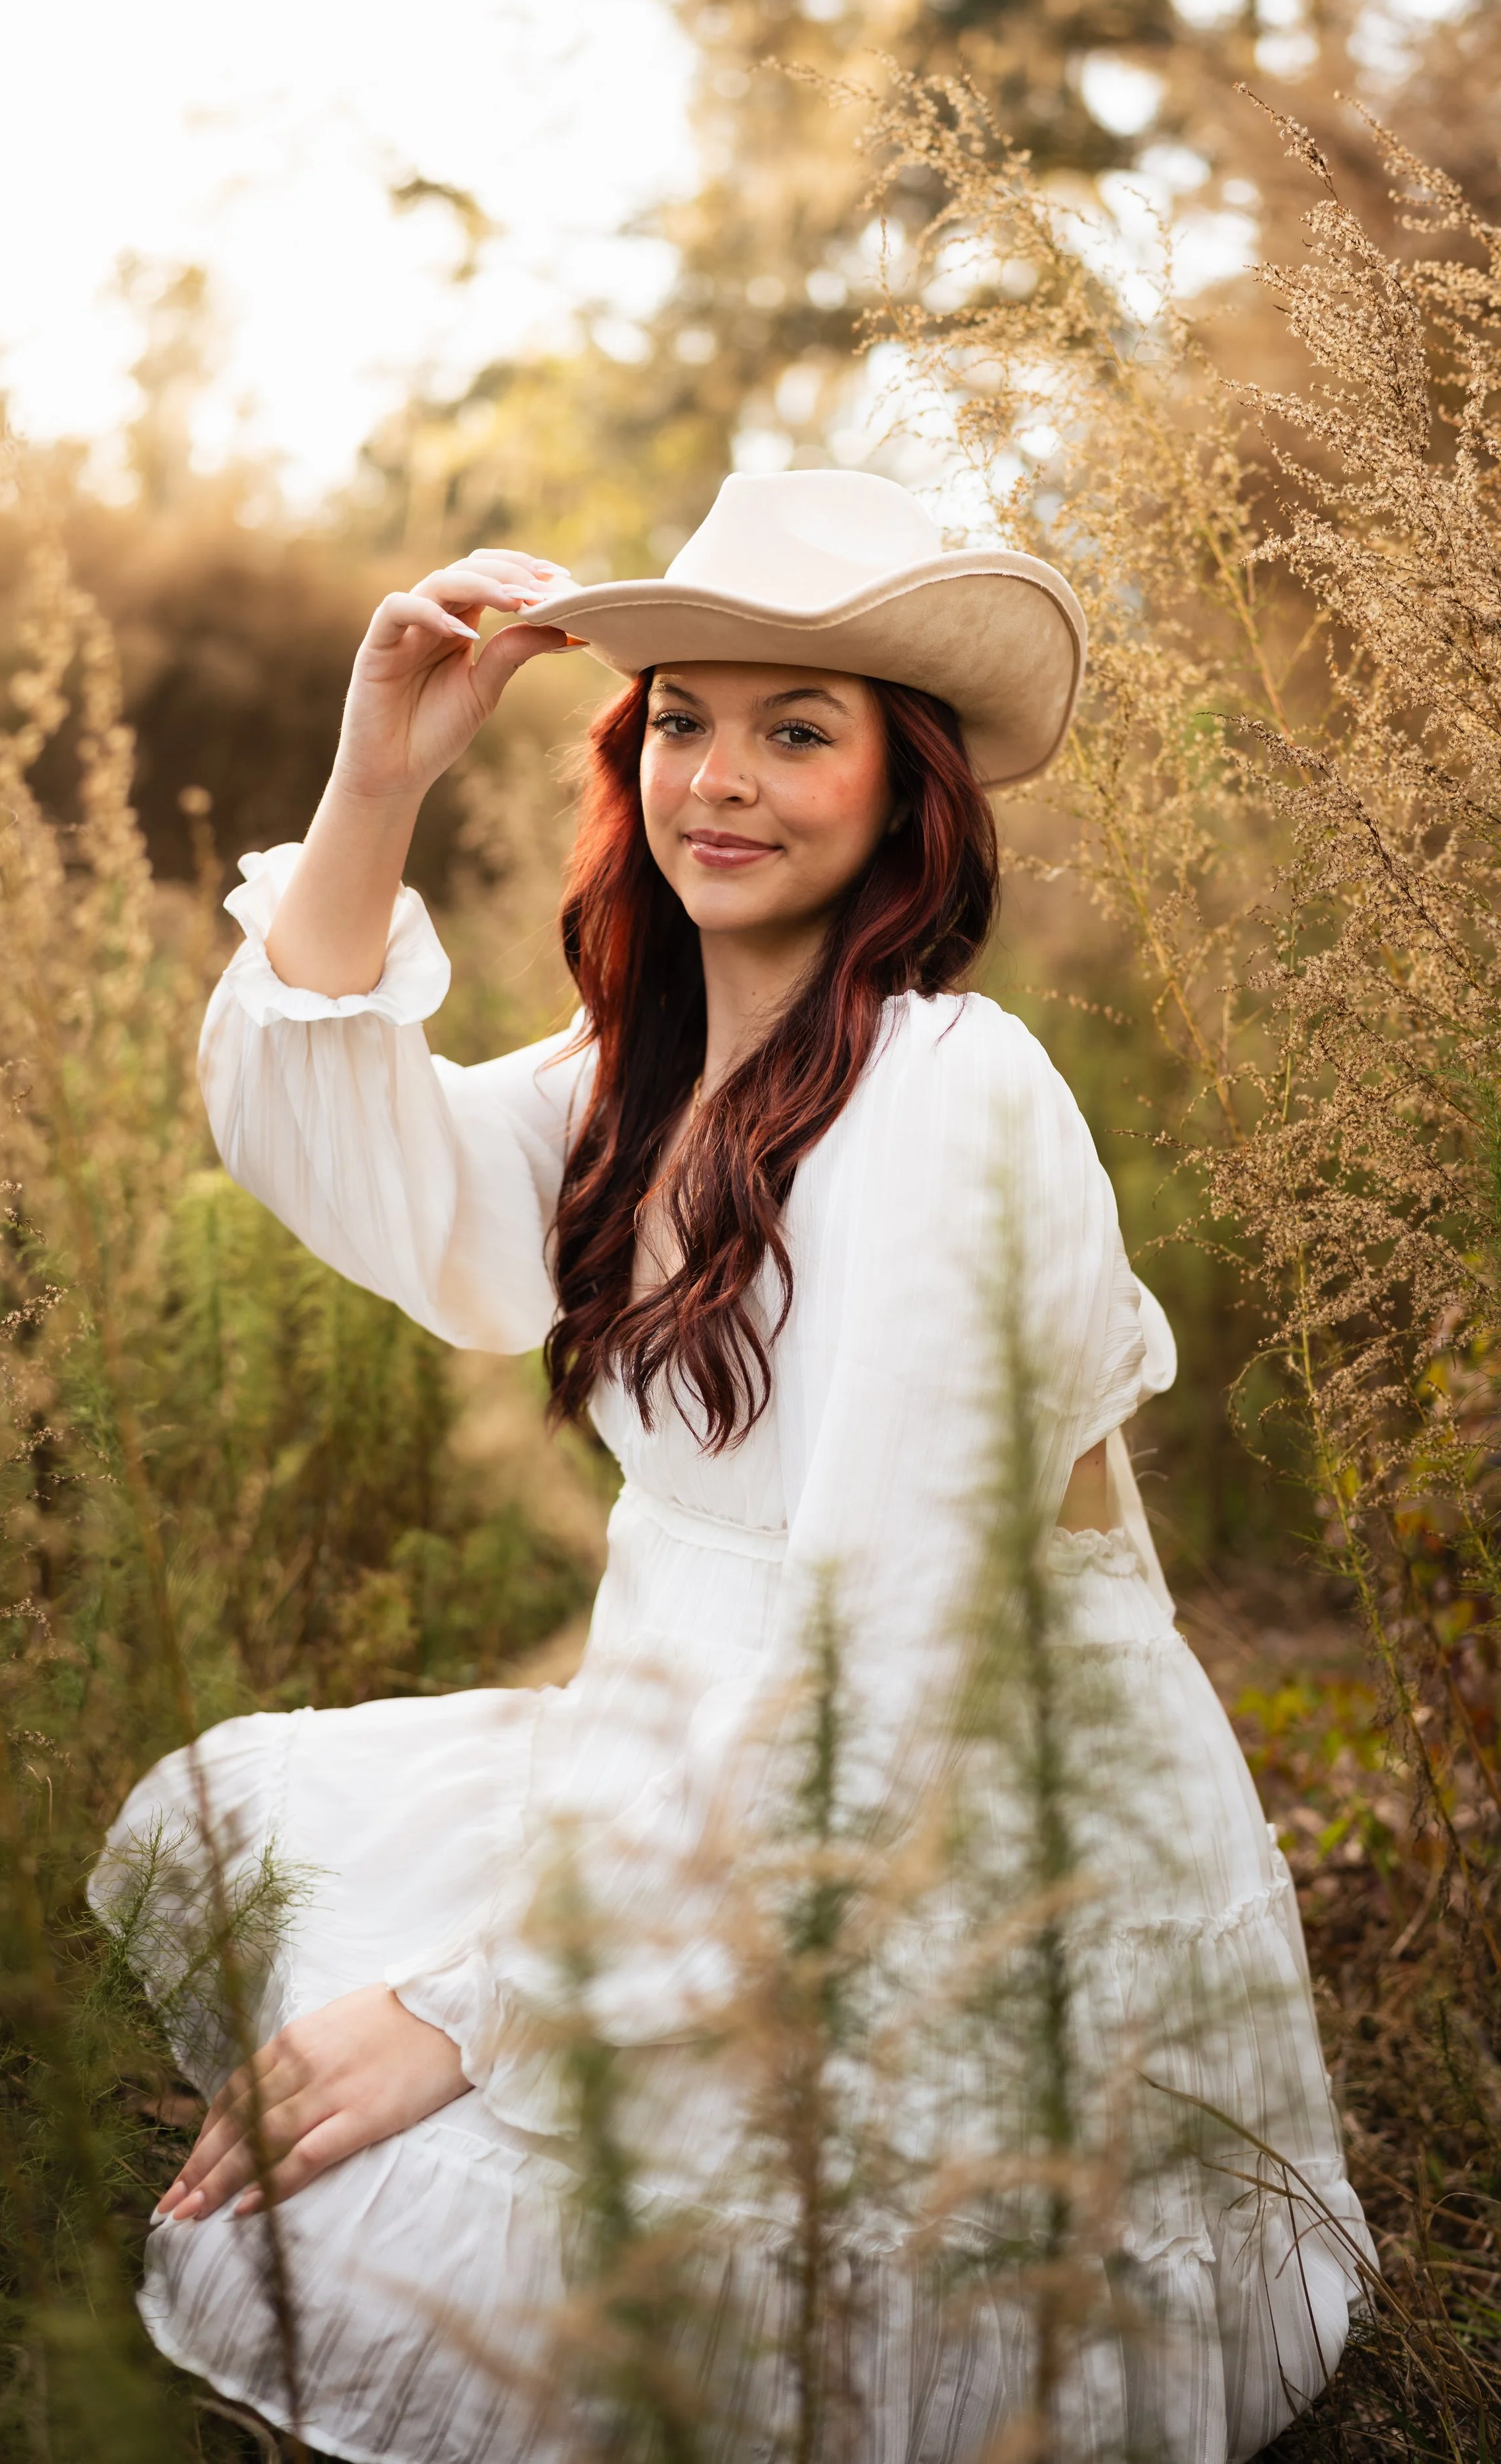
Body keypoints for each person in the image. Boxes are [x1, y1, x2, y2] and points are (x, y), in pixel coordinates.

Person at [93, 471, 1370, 2463]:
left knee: (474, 2227)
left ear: (904, 791)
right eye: (683, 717)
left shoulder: (955, 1097)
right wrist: (376, 779)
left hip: (932, 1814)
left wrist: (478, 2005)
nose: (721, 778)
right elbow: (334, 1144)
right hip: (686, 1740)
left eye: (798, 730)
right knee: (230, 1835)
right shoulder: (636, 1077)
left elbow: (894, 1676)